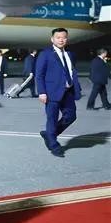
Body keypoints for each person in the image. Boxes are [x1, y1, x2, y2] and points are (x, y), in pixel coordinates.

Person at [35, 28, 82, 158]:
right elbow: (39, 75)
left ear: (67, 39)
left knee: (71, 116)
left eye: (64, 37)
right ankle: (54, 146)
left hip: (68, 92)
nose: (61, 40)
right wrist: (42, 92)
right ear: (52, 39)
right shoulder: (45, 54)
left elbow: (71, 71)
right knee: (52, 119)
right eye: (58, 37)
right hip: (51, 92)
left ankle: (49, 135)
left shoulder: (70, 54)